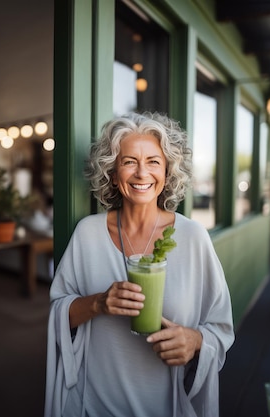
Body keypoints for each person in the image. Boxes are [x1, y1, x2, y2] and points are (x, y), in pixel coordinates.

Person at [45, 112, 234, 417]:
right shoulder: (88, 233)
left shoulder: (193, 237)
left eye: (154, 162)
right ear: (113, 172)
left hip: (164, 406)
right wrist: (99, 303)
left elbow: (221, 327)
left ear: (168, 172)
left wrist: (195, 340)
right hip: (90, 404)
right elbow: (58, 314)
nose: (141, 173)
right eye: (129, 161)